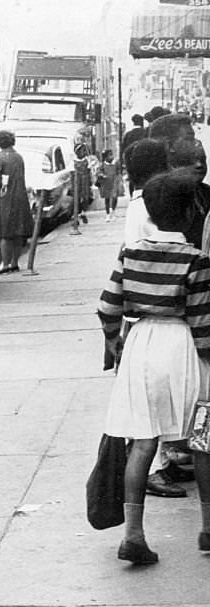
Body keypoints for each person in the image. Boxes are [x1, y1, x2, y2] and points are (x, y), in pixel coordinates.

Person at [97, 170, 210, 564]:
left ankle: (134, 534)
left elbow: (108, 306)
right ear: (191, 212)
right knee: (201, 440)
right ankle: (208, 528)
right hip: (184, 349)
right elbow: (202, 322)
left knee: (143, 442)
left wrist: (115, 342)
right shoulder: (196, 259)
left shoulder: (131, 254)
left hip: (142, 346)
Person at [0, 129, 33, 274]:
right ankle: (14, 262)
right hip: (20, 196)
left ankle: (5, 264)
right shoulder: (18, 157)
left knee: (4, 233)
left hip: (5, 198)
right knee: (18, 232)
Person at [97, 149, 122, 222]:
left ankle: (113, 212)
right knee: (107, 198)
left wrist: (119, 180)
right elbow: (99, 172)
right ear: (105, 157)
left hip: (114, 181)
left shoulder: (116, 163)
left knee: (114, 197)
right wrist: (101, 175)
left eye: (112, 154)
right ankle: (108, 214)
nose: (111, 157)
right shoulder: (103, 164)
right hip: (106, 183)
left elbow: (119, 171)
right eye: (109, 155)